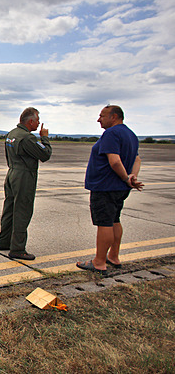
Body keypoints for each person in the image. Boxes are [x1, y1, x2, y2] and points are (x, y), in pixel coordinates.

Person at [77, 105, 143, 275]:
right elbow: (137, 159)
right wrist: (131, 177)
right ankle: (113, 256)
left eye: (102, 116)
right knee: (115, 220)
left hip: (106, 186)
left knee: (104, 223)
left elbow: (114, 161)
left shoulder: (111, 134)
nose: (99, 119)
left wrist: (124, 177)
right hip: (119, 188)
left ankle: (99, 261)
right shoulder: (131, 135)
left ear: (114, 117)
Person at [0, 107, 52, 260]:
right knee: (23, 210)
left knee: (9, 208)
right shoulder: (27, 138)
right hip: (24, 176)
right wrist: (45, 138)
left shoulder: (12, 134)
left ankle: (4, 241)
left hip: (12, 173)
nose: (38, 124)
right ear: (30, 121)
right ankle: (18, 248)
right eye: (37, 121)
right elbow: (45, 154)